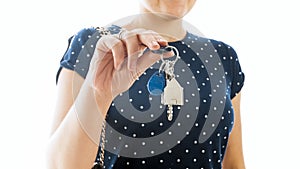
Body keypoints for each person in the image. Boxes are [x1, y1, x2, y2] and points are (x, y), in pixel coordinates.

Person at [46, 0, 246, 168]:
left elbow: (234, 164)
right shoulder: (95, 45)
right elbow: (60, 165)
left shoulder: (223, 57)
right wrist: (99, 93)